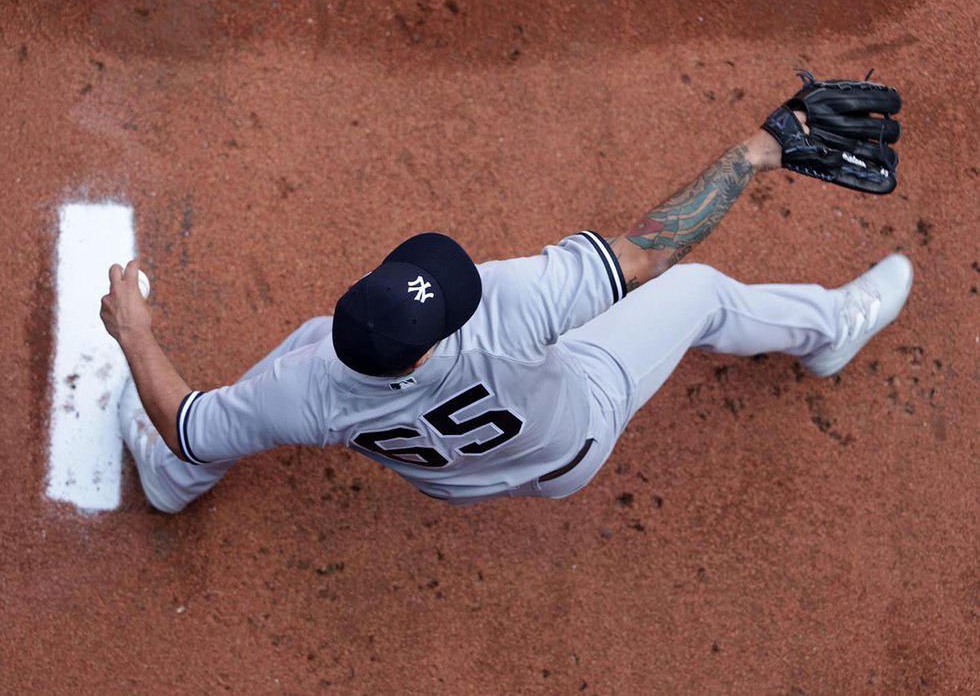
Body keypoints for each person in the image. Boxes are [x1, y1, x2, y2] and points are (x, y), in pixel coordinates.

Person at [100, 104, 912, 513]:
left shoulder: (313, 386)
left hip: (450, 483)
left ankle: (176, 483)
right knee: (694, 293)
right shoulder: (509, 313)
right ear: (427, 345)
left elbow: (185, 414)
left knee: (284, 363)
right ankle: (828, 330)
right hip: (576, 438)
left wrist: (136, 334)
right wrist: (758, 150)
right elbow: (649, 253)